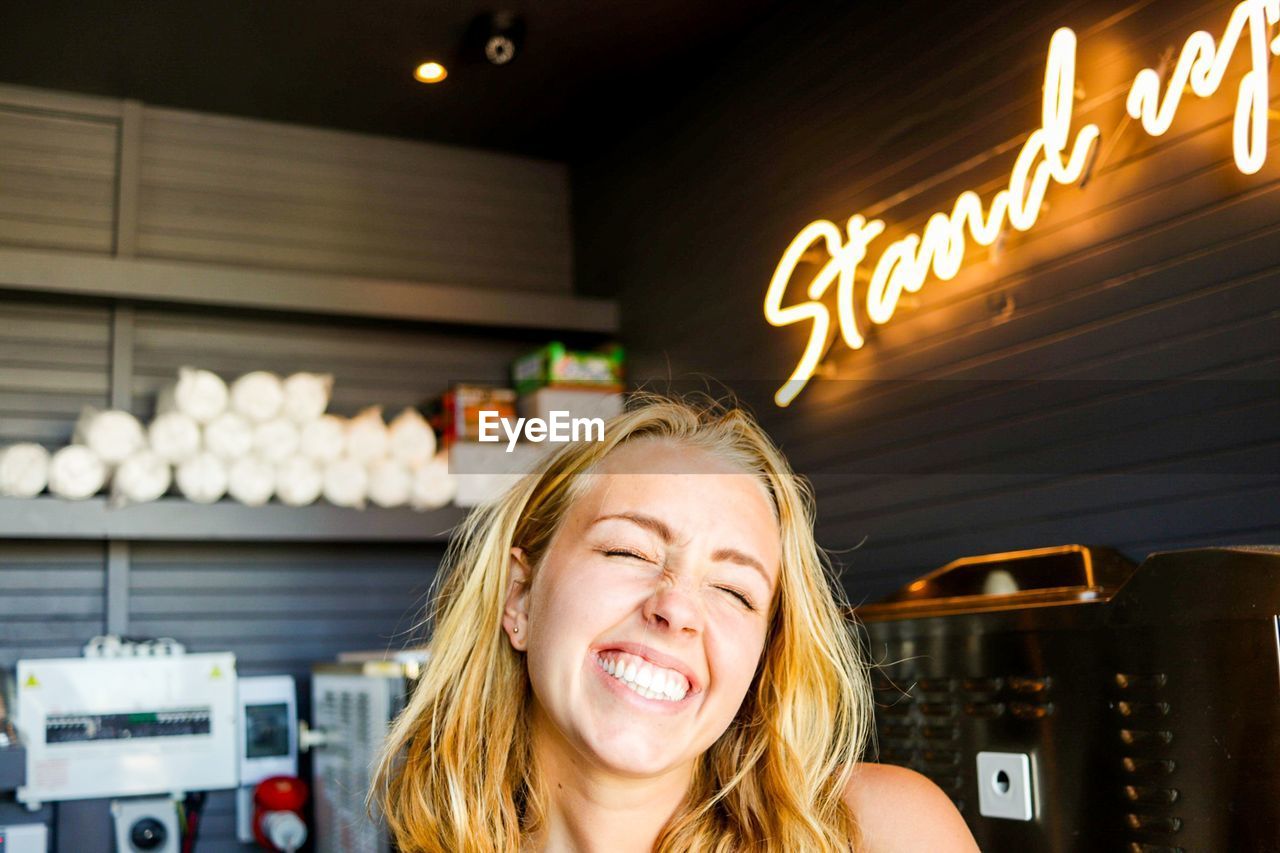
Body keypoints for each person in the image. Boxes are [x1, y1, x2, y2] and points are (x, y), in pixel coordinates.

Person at [373, 396, 978, 851]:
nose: (677, 608)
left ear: (764, 657)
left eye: (733, 591)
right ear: (519, 596)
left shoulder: (883, 832)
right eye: (629, 552)